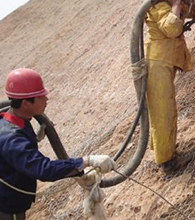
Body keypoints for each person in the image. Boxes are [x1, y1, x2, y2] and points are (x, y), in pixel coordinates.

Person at [0, 68, 116, 220]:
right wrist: (87, 161)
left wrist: (33, 140)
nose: (46, 100)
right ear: (26, 103)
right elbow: (44, 170)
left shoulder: (13, 120)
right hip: (8, 209)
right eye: (41, 96)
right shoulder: (12, 139)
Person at [145, 0, 195, 173]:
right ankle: (167, 162)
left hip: (165, 62)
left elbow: (190, 12)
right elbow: (171, 28)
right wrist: (176, 4)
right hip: (157, 65)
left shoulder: (169, 2)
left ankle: (165, 151)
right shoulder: (157, 5)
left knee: (166, 109)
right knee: (163, 112)